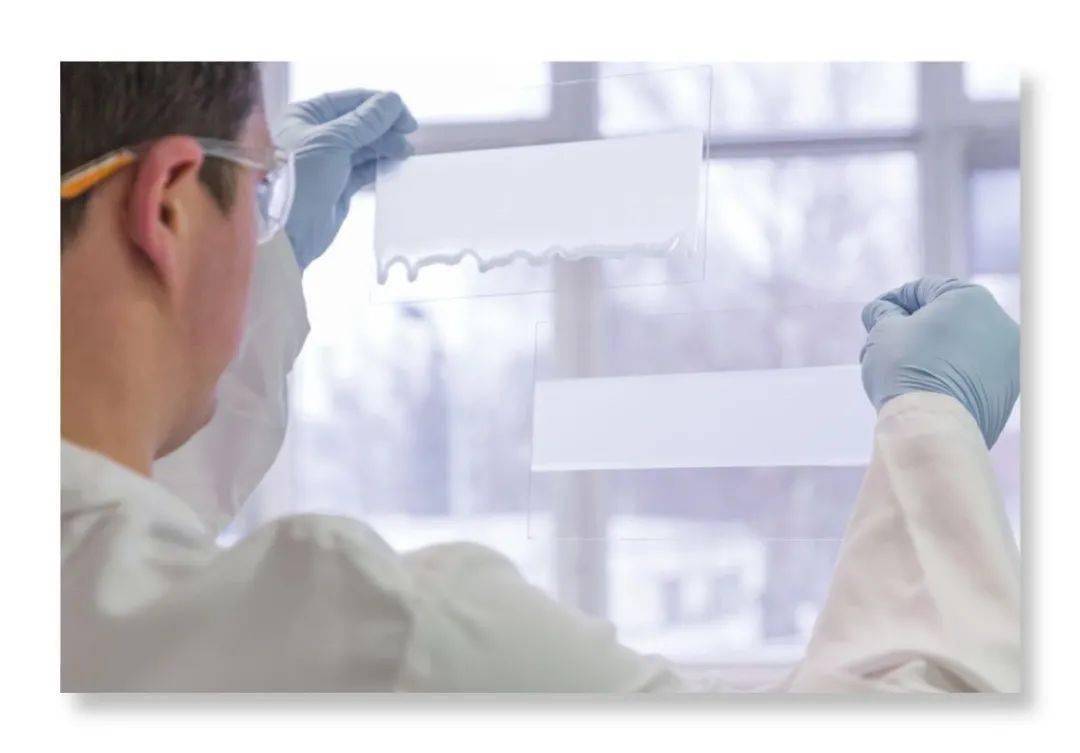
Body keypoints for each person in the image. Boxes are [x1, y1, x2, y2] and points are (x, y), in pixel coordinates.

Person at [60, 62, 1021, 692]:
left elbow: (119, 548)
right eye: (263, 191)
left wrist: (260, 265)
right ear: (168, 205)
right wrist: (933, 423)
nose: (269, 225)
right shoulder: (389, 644)